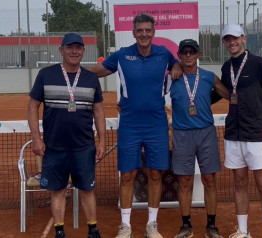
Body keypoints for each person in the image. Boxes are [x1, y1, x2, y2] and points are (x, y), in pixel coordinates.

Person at [87, 14, 182, 238]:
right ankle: (125, 226)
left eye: (148, 30)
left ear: (154, 32)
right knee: (128, 175)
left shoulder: (163, 54)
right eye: (140, 30)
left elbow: (178, 63)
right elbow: (99, 72)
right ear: (133, 33)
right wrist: (74, 69)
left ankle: (152, 224)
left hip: (157, 124)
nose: (144, 34)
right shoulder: (122, 55)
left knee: (155, 174)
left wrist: (176, 66)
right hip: (129, 124)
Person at [27, 33, 106, 238]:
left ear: (83, 51)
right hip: (54, 147)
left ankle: (93, 229)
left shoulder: (91, 78)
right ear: (61, 50)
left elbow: (98, 111)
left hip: (84, 146)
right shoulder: (46, 74)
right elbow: (33, 106)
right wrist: (36, 138)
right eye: (69, 47)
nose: (74, 51)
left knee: (87, 190)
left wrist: (102, 141)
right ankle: (59, 231)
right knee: (58, 190)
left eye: (78, 48)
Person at [220, 24, 262, 238]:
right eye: (228, 39)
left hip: (256, 135)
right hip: (233, 135)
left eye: (236, 38)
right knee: (239, 182)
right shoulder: (226, 67)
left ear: (244, 39)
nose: (232, 42)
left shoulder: (259, 64)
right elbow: (221, 94)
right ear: (224, 42)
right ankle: (243, 232)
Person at [168, 39, 229, 238]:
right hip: (182, 135)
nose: (188, 55)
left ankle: (212, 226)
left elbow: (230, 94)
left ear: (198, 54)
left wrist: (258, 96)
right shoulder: (172, 78)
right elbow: (150, 95)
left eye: (191, 52)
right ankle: (186, 225)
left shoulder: (209, 77)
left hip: (206, 133)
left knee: (209, 179)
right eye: (183, 52)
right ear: (179, 55)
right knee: (184, 181)